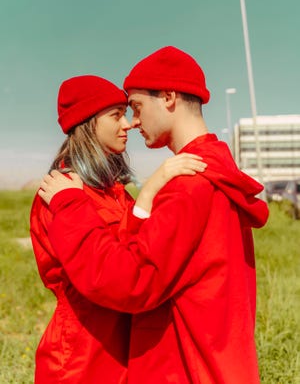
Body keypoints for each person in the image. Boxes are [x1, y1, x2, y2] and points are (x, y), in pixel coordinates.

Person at [38, 47, 269, 384]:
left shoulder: (188, 183)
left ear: (169, 98)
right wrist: (146, 195)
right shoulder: (214, 171)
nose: (133, 122)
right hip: (214, 359)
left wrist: (71, 205)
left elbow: (133, 280)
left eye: (135, 107)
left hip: (183, 366)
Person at [30, 73, 206, 384]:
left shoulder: (111, 190)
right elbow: (104, 272)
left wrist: (149, 193)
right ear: (87, 123)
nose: (128, 124)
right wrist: (152, 186)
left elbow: (132, 253)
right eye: (116, 115)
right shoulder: (60, 192)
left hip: (123, 346)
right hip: (82, 356)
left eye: (126, 113)